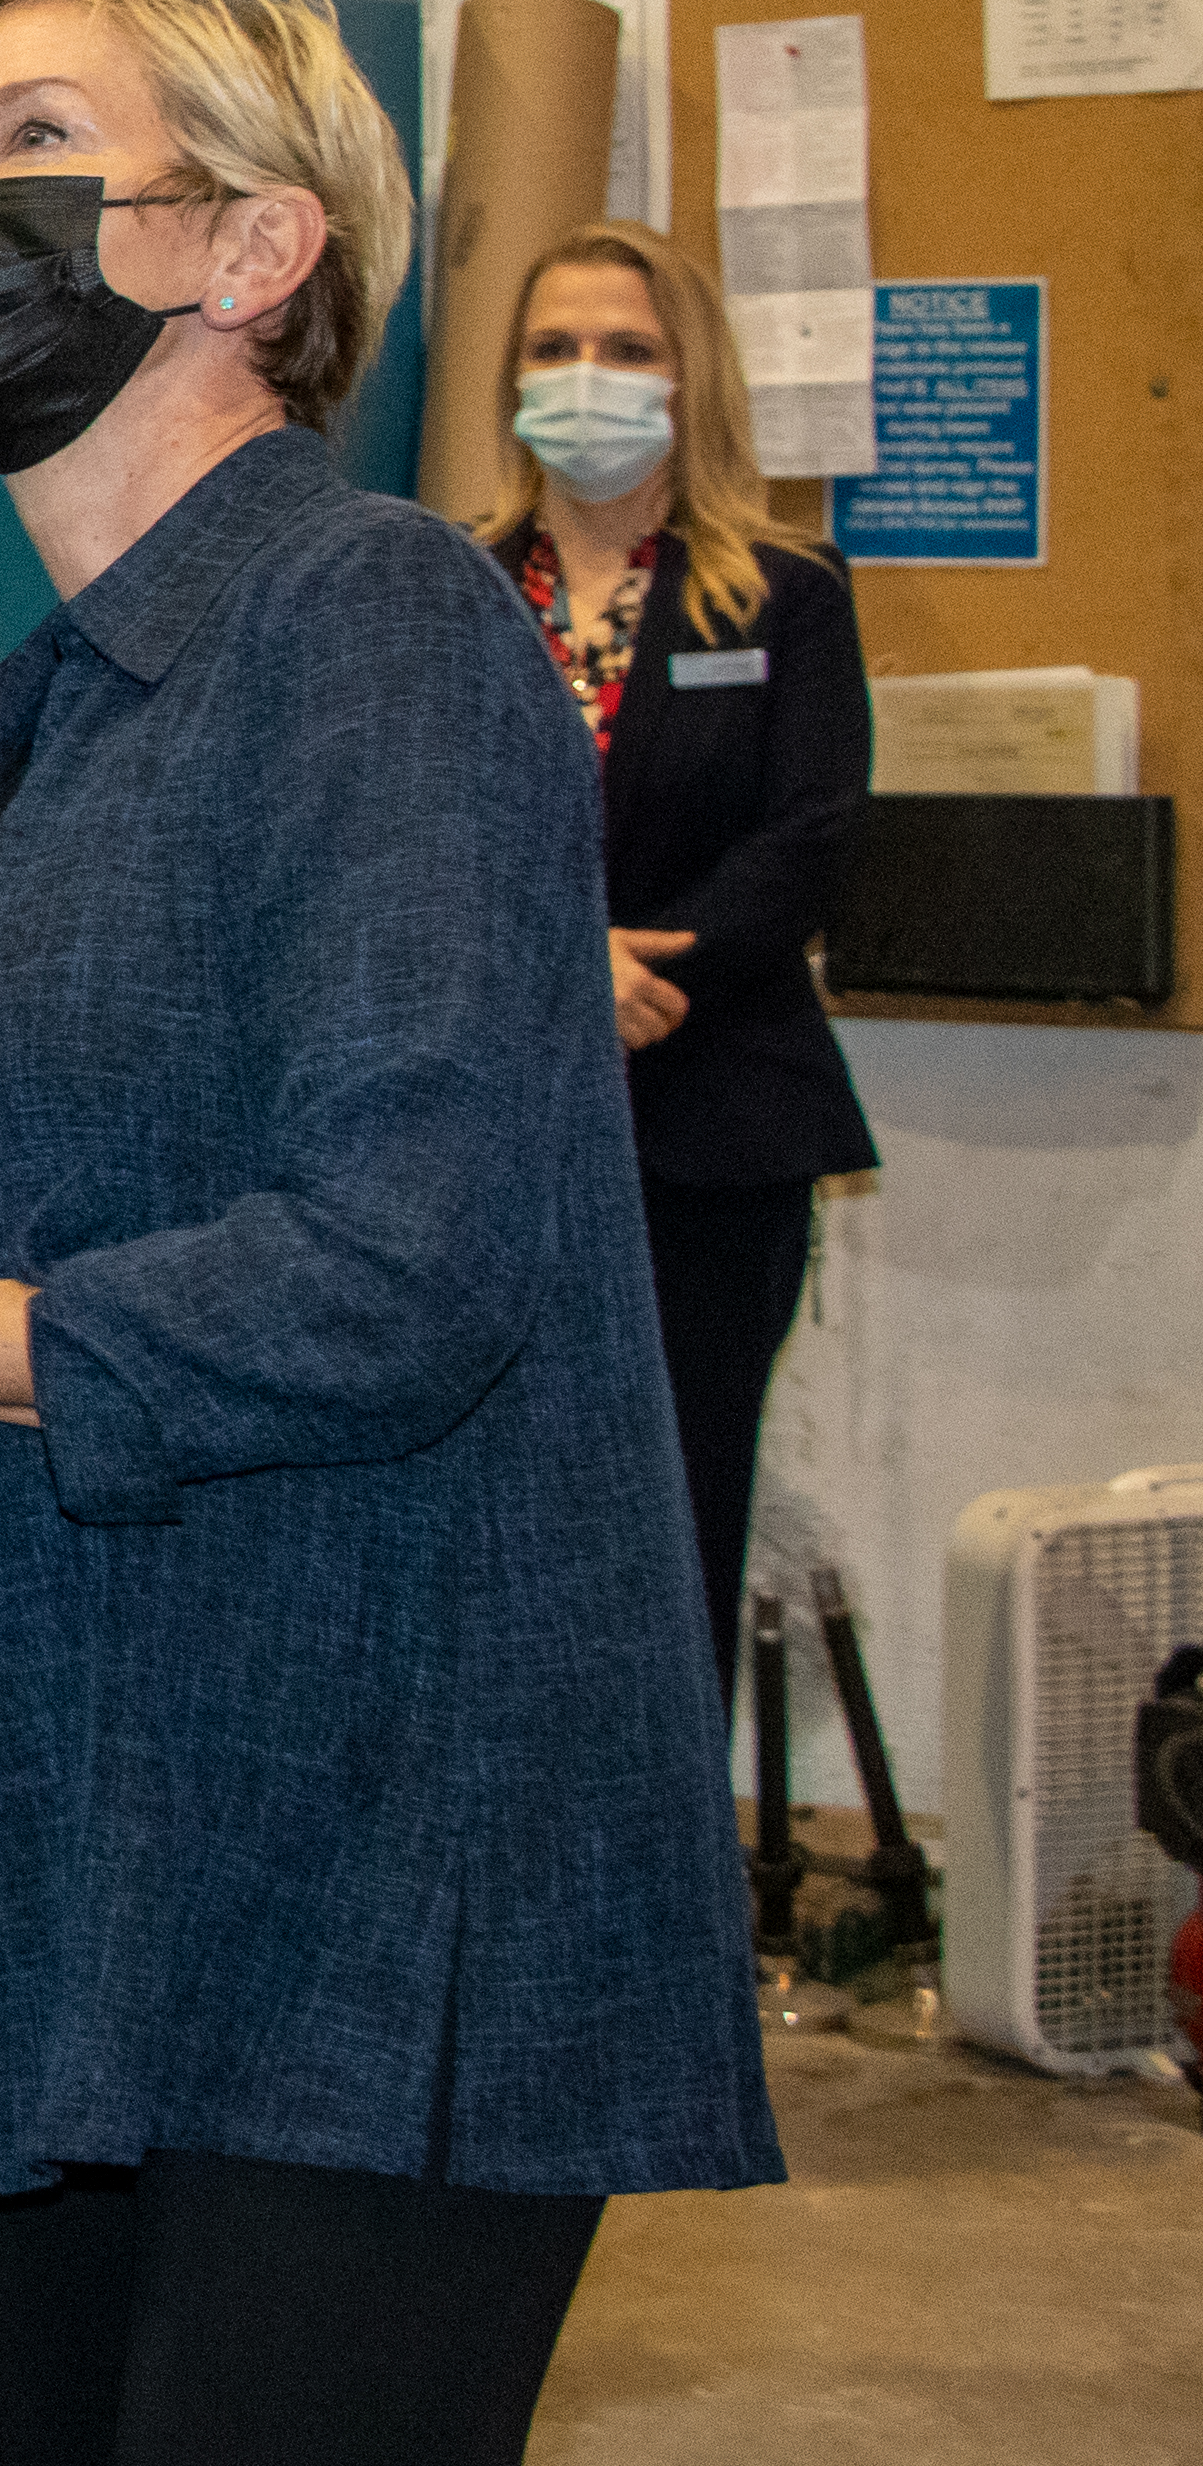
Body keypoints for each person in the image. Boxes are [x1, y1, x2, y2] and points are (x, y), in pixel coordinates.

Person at [0, 0, 777, 2466]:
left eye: (31, 133)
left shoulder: (374, 623)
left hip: (364, 1847)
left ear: (249, 244)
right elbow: (100, 1160)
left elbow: (399, 1267)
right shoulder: (58, 706)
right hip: (98, 1820)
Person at [478, 220, 876, 1696]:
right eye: (554, 346)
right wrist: (556, 968)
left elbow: (812, 831)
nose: (587, 376)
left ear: (688, 375)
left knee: (677, 1518)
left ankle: (667, 1908)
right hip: (502, 1129)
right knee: (506, 1533)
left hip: (717, 1124)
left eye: (627, 349)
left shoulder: (783, 590)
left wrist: (649, 975)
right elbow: (414, 839)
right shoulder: (453, 586)